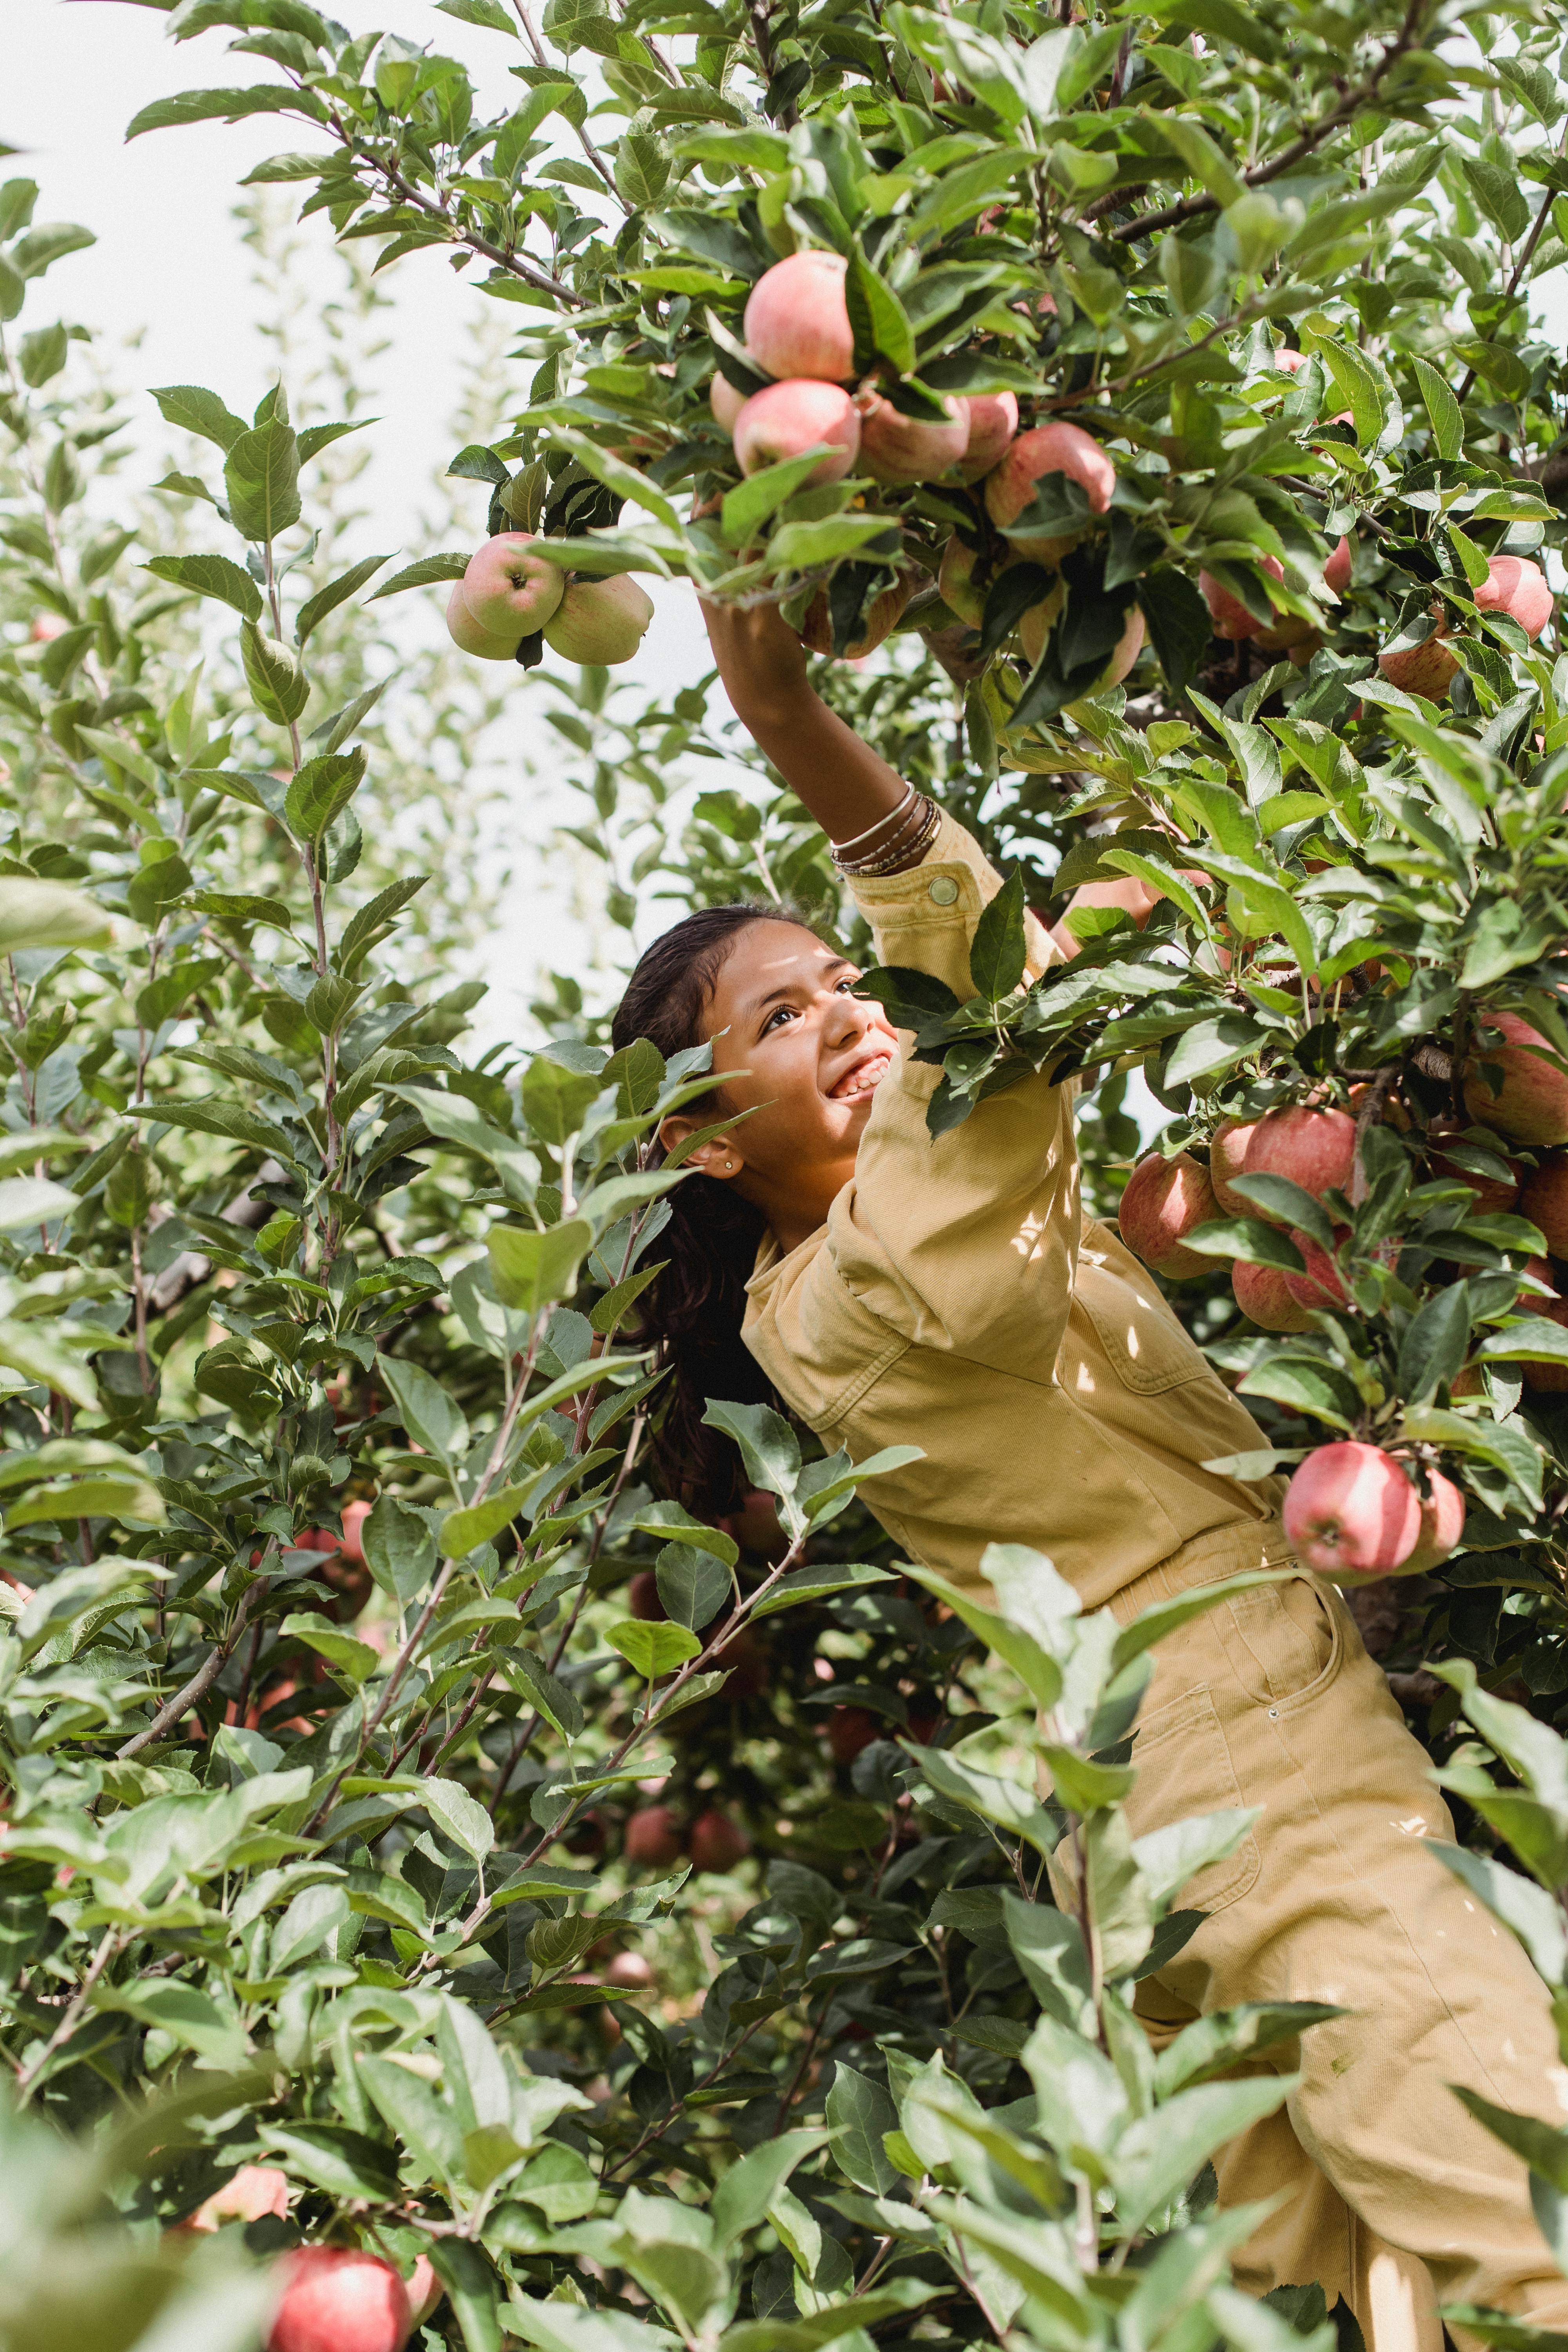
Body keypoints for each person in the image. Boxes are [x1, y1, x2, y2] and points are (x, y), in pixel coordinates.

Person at [610, 601, 1568, 2349]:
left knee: (1313, 2297)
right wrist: (789, 717)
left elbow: (1008, 1065)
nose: (840, 1009)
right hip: (1254, 1758)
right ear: (696, 1131)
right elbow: (969, 994)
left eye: (842, 981)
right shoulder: (879, 1264)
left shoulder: (855, 1265)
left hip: (1122, 1829)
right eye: (779, 1012)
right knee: (1512, 2193)